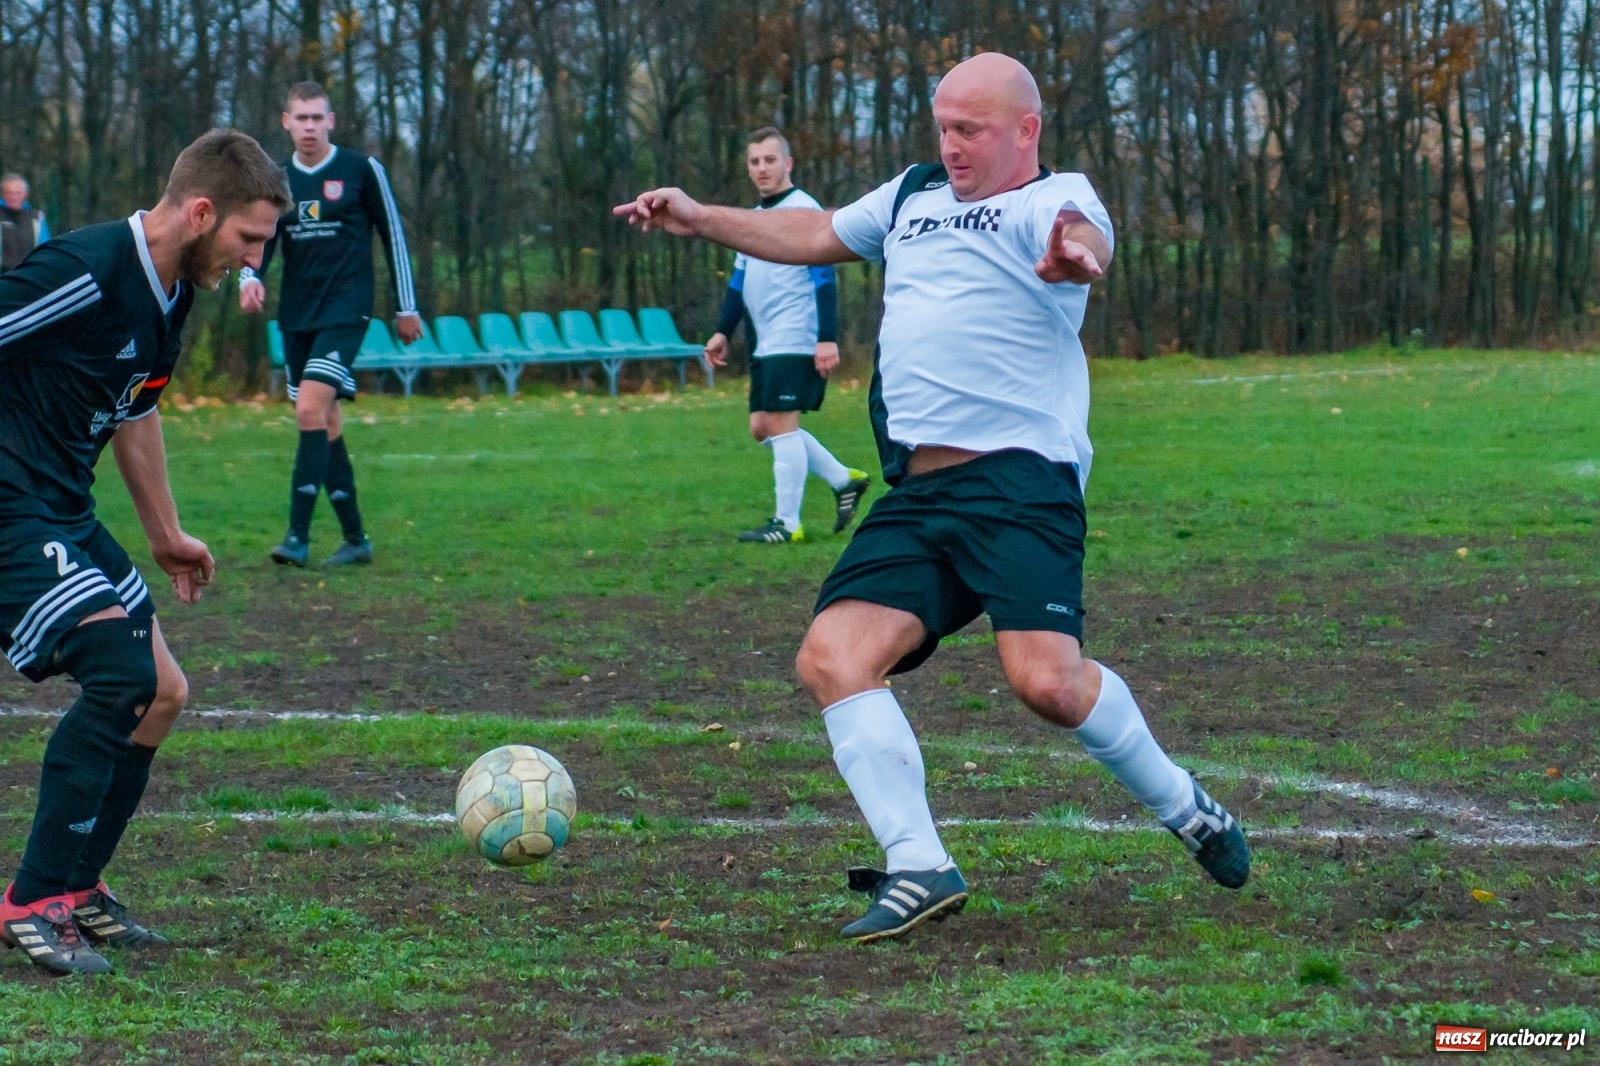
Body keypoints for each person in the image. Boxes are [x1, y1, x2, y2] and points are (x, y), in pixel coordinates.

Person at [616, 52, 1249, 943]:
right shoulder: (912, 195)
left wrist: (1076, 253)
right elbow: (814, 234)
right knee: (832, 657)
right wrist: (700, 218)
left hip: (1020, 482)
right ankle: (918, 862)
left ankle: (1189, 808)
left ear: (1024, 131)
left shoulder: (1050, 195)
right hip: (920, 491)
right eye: (942, 127)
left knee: (1048, 686)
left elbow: (1084, 233)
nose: (950, 146)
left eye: (971, 130)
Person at [0, 129, 289, 973]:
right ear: (202, 213)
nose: (251, 261)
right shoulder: (84, 270)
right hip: (11, 511)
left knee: (162, 690)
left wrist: (165, 534)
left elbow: (135, 408)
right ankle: (31, 901)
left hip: (62, 507)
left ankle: (78, 891)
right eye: (248, 240)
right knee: (121, 676)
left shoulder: (171, 294)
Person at [239, 81, 421, 568]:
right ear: (286, 122)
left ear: (331, 121)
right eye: (301, 119)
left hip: (347, 309)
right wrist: (247, 277)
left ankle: (296, 537)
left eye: (317, 118)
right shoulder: (275, 178)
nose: (309, 128)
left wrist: (407, 306)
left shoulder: (362, 170)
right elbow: (259, 238)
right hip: (297, 314)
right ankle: (356, 539)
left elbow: (394, 237)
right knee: (326, 420)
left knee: (308, 411)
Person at [704, 128, 871, 543]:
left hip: (796, 334)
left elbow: (824, 277)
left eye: (770, 160)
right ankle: (842, 479)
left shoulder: (803, 209)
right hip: (767, 340)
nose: (762, 168)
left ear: (787, 164)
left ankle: (787, 524)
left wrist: (827, 337)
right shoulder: (753, 217)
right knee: (762, 426)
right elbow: (739, 282)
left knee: (781, 424)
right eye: (754, 161)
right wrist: (723, 331)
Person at [0, 173, 51, 274]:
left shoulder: (37, 218)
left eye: (17, 193)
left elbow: (45, 249)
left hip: (29, 276)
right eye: (9, 193)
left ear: (25, 194)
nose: (13, 197)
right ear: (3, 194)